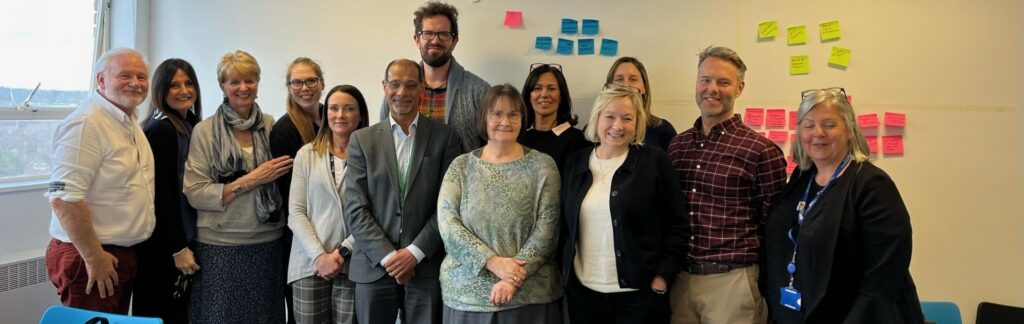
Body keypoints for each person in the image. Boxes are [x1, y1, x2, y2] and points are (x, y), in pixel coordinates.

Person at [761, 88, 924, 323]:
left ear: (849, 130)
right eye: (808, 125)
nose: (818, 133)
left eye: (829, 124)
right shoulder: (801, 178)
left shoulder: (871, 185)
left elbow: (882, 276)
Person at [667, 46, 787, 324]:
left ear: (740, 88)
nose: (712, 89)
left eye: (723, 82)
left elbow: (775, 227)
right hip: (681, 280)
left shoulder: (761, 151)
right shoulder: (677, 146)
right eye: (705, 80)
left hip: (733, 282)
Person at [345, 59, 463, 324]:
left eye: (411, 85)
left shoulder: (445, 137)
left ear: (422, 88)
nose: (402, 92)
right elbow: (354, 209)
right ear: (384, 87)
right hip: (373, 266)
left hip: (425, 266)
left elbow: (448, 207)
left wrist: (414, 253)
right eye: (395, 84)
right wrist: (390, 257)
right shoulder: (361, 141)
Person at [561, 85, 690, 324]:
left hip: (640, 298)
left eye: (627, 118)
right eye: (610, 116)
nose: (617, 126)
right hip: (584, 296)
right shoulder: (575, 162)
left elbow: (678, 225)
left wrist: (662, 278)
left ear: (637, 123)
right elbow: (564, 227)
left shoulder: (654, 161)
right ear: (597, 118)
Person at [437, 84, 564, 323]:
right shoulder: (461, 167)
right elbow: (448, 224)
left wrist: (512, 278)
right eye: (497, 114)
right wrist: (494, 263)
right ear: (484, 118)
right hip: (467, 299)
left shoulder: (544, 166)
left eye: (513, 114)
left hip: (530, 299)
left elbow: (548, 230)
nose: (505, 121)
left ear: (522, 118)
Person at [183, 50, 293, 323]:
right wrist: (250, 180)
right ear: (222, 86)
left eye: (250, 80)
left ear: (258, 82)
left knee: (265, 317)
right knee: (219, 317)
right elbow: (196, 192)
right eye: (234, 82)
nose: (243, 88)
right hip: (219, 246)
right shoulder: (205, 131)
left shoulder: (272, 125)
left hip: (268, 242)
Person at [45, 47, 154, 314]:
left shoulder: (126, 121)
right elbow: (63, 199)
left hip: (117, 254)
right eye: (125, 75)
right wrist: (94, 257)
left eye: (141, 77)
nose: (135, 83)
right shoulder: (87, 124)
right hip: (90, 255)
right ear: (101, 80)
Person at [288, 85, 370, 324]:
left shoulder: (373, 156)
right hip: (310, 263)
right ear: (326, 114)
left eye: (349, 108)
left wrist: (341, 252)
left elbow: (374, 214)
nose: (340, 115)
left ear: (361, 115)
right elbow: (296, 213)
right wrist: (319, 256)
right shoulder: (307, 154)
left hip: (354, 262)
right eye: (333, 108)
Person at [133, 58, 203, 324]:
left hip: (181, 237)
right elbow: (161, 195)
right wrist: (178, 248)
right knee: (161, 315)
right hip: (162, 246)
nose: (183, 90)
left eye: (188, 83)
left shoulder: (191, 124)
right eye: (174, 85)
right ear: (161, 90)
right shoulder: (161, 129)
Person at [379, 1, 490, 152]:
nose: (435, 40)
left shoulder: (479, 91)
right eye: (428, 33)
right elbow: (385, 143)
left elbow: (493, 147)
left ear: (454, 41)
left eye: (443, 34)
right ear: (417, 39)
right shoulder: (397, 91)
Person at [271, 57, 327, 323]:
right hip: (301, 240)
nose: (305, 87)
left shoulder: (335, 117)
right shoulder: (284, 131)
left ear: (322, 83)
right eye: (297, 82)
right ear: (289, 87)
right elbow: (291, 199)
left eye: (311, 80)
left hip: (337, 236)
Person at [520, 63, 590, 173]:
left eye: (551, 88)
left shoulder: (579, 141)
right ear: (529, 96)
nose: (544, 94)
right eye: (537, 88)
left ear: (561, 96)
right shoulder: (518, 138)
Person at [606, 56, 676, 151]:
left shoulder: (663, 129)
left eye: (633, 79)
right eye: (619, 79)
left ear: (644, 88)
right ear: (609, 87)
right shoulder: (599, 128)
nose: (626, 85)